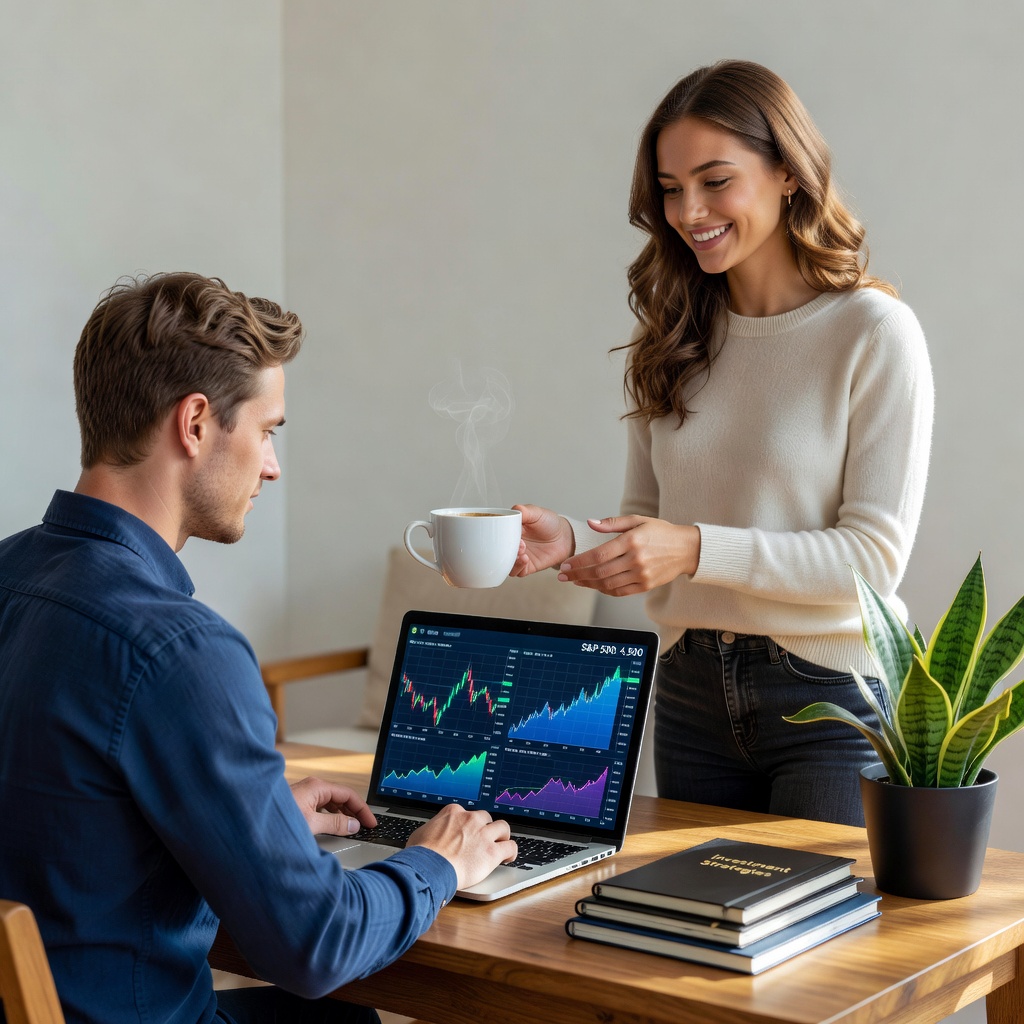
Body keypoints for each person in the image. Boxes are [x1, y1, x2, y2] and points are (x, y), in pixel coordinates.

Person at [0, 272, 516, 1024]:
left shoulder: (10, 573)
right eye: (268, 430)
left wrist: (254, 822)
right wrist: (439, 862)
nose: (272, 466)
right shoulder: (182, 651)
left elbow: (64, 822)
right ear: (195, 423)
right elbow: (317, 945)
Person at [512, 60, 934, 828]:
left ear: (788, 173)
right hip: (689, 688)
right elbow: (653, 525)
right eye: (671, 188)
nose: (689, 211)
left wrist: (694, 549)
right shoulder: (672, 336)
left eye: (715, 181)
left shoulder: (873, 333)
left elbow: (874, 560)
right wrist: (570, 539)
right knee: (682, 910)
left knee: (811, 913)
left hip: (830, 701)